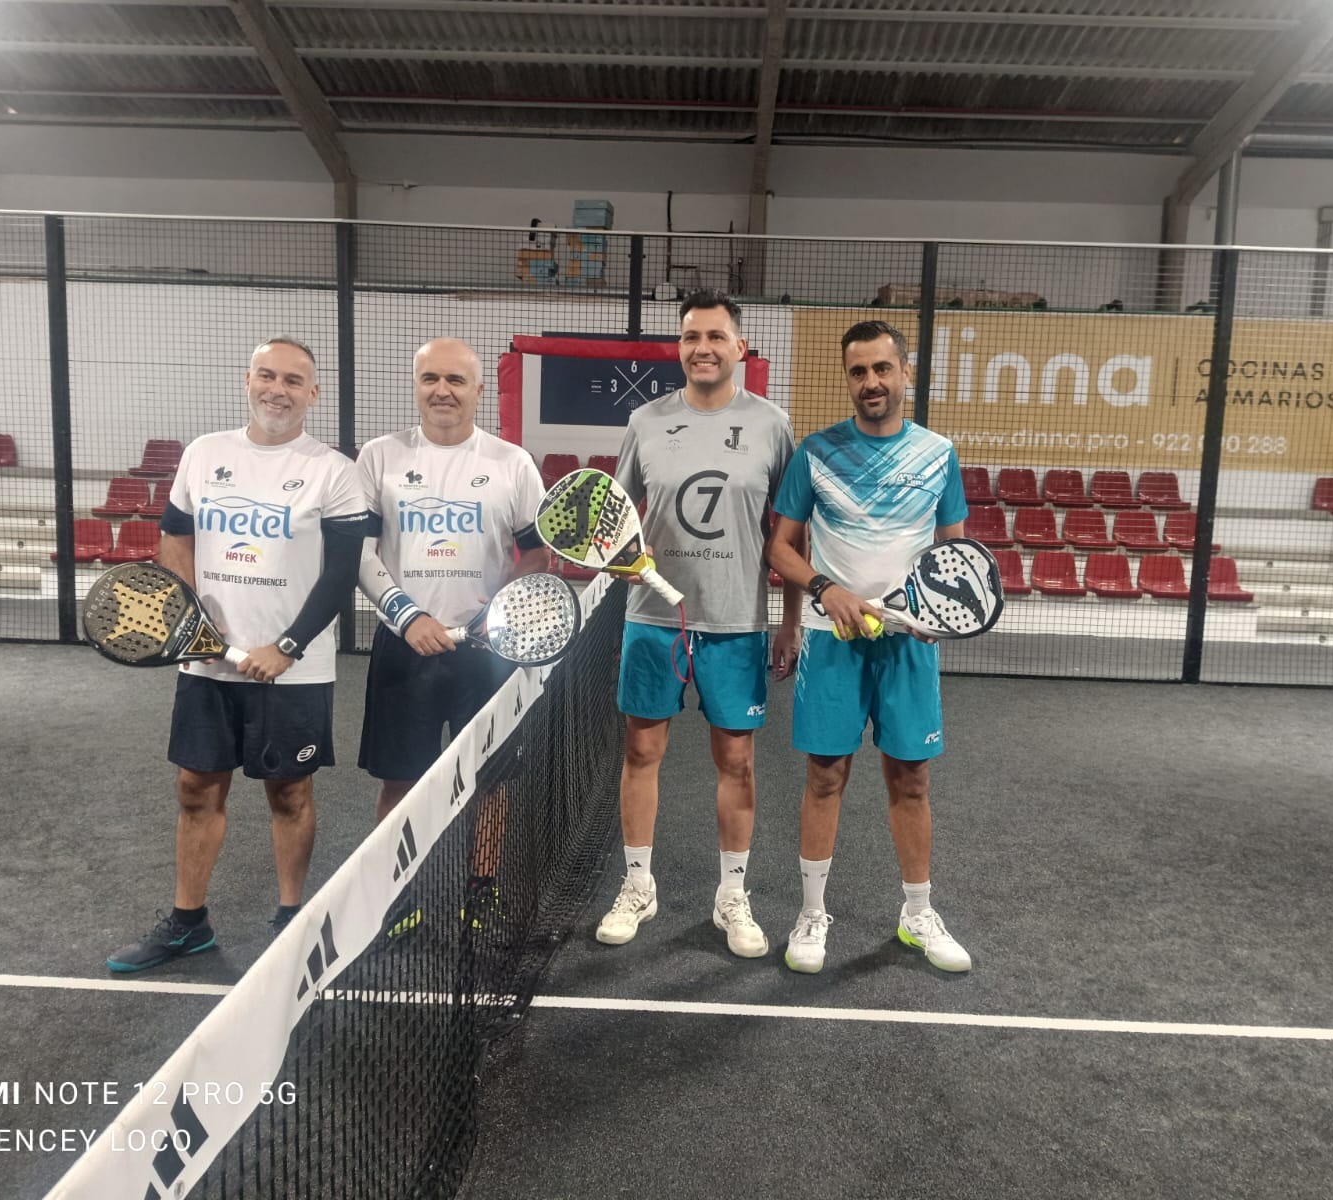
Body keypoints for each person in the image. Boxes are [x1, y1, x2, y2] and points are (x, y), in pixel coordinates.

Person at [107, 337, 370, 973]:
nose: (277, 389)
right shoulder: (204, 454)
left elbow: (341, 574)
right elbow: (176, 537)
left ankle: (290, 920)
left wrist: (286, 648)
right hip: (208, 664)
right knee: (195, 787)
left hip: (295, 671)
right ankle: (188, 924)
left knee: (289, 791)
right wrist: (189, 623)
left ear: (313, 394)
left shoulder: (334, 471)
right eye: (266, 376)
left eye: (293, 380)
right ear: (247, 381)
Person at [595, 289, 800, 959]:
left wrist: (790, 621)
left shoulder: (772, 425)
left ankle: (731, 895)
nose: (702, 348)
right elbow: (614, 517)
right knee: (641, 753)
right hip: (653, 619)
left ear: (740, 347)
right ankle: (637, 886)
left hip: (737, 621)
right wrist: (621, 560)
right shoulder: (645, 421)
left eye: (715, 336)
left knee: (736, 761)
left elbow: (790, 532)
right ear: (679, 346)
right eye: (691, 336)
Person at [764, 319, 973, 975]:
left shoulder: (938, 454)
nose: (871, 382)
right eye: (858, 371)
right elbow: (780, 547)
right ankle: (811, 913)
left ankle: (918, 914)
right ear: (848, 379)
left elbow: (953, 554)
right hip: (833, 642)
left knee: (912, 778)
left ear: (906, 372)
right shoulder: (815, 453)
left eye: (882, 368)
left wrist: (940, 613)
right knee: (825, 775)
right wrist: (824, 591)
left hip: (907, 645)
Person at [355, 338, 549, 928]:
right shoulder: (378, 457)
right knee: (402, 780)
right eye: (430, 379)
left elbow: (536, 556)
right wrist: (408, 616)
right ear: (416, 385)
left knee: (491, 778)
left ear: (478, 390)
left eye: (456, 380)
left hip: (486, 651)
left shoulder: (512, 463)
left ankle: (481, 890)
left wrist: (499, 613)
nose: (442, 390)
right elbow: (361, 553)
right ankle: (398, 898)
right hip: (403, 646)